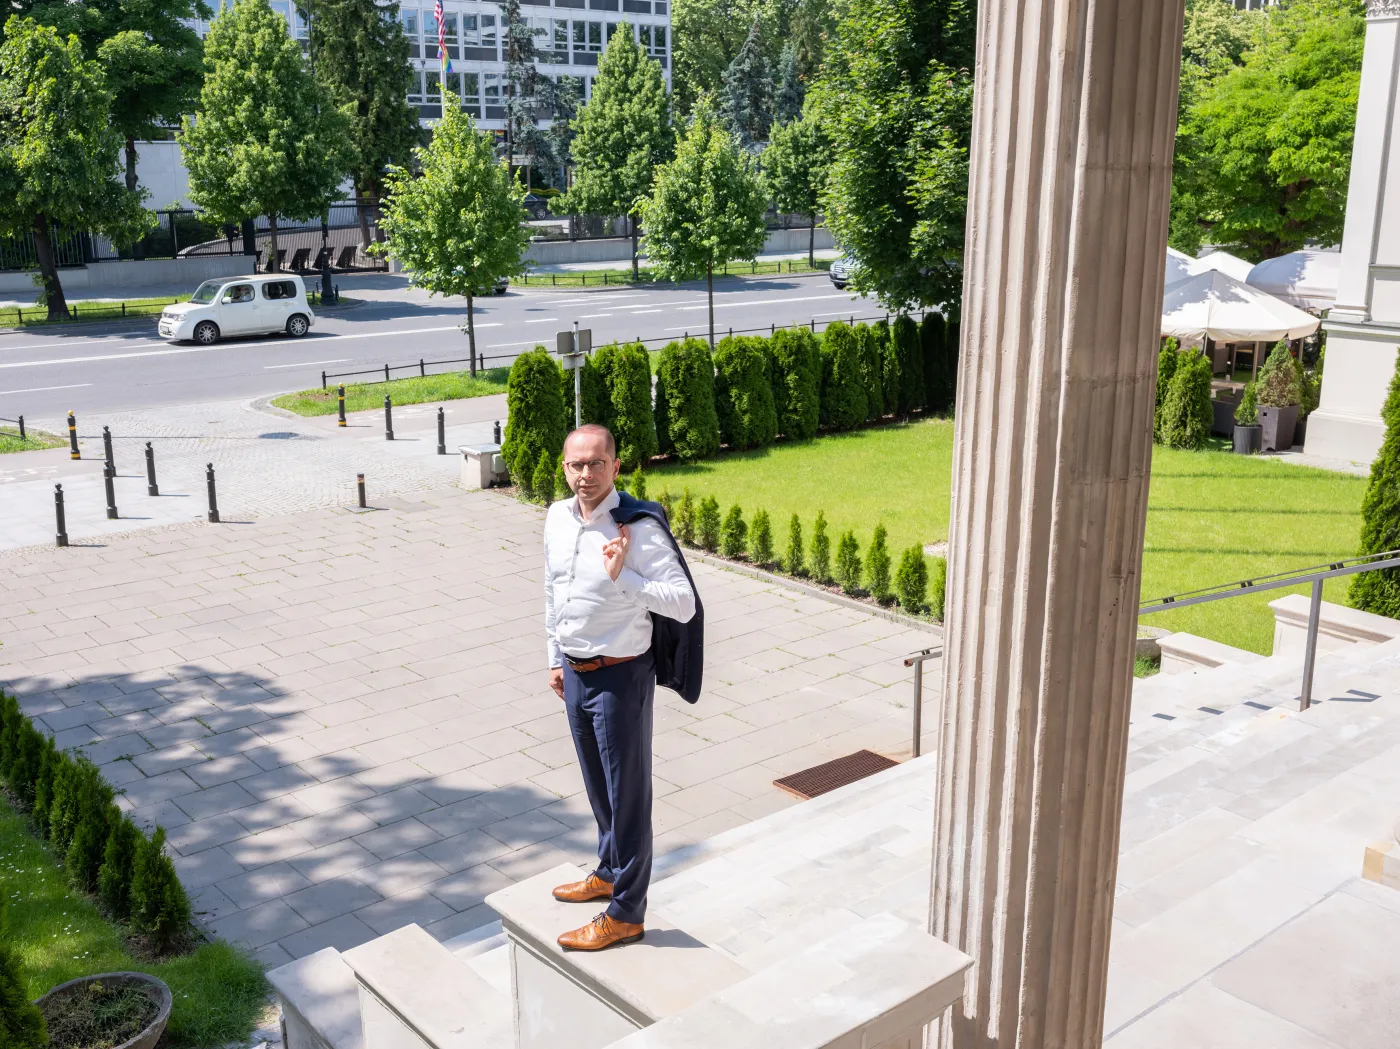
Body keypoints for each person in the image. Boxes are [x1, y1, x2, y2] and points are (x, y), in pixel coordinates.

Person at [543, 424, 697, 950]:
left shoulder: (637, 527)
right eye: (576, 464)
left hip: (620, 676)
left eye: (596, 463)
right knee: (599, 787)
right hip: (576, 672)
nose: (585, 474)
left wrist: (622, 577)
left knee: (628, 797)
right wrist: (555, 658)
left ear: (615, 465)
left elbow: (683, 603)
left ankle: (627, 912)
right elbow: (553, 591)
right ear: (564, 467)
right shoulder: (556, 518)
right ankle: (608, 871)